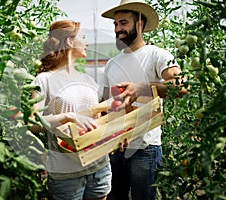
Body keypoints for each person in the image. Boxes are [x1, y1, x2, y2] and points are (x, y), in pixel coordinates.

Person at [100, 0, 188, 199]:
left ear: (140, 23)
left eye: (123, 23)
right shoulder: (112, 64)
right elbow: (106, 105)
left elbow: (182, 86)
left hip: (144, 148)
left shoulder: (157, 55)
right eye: (115, 24)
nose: (118, 29)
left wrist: (141, 88)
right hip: (116, 147)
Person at [31, 20, 112, 200]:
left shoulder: (88, 80)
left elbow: (97, 120)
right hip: (66, 173)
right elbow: (32, 123)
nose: (87, 42)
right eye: (82, 37)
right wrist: (69, 116)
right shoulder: (43, 80)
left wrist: (114, 137)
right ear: (69, 42)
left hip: (99, 166)